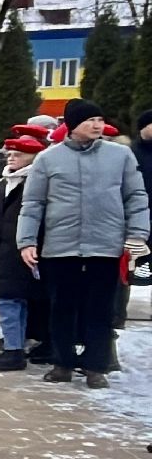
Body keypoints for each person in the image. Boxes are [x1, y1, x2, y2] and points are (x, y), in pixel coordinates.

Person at [16, 99, 151, 388]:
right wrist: (26, 240)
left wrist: (137, 234)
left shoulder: (120, 155)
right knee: (62, 308)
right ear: (72, 125)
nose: (97, 125)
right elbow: (33, 203)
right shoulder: (48, 159)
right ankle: (62, 362)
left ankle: (96, 366)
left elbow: (136, 197)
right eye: (90, 120)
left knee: (100, 310)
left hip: (106, 247)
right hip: (60, 247)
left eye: (100, 120)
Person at [0, 136, 46, 371]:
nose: (11, 157)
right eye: (9, 153)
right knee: (7, 302)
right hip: (0, 250)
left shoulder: (36, 182)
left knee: (11, 302)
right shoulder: (3, 182)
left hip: (22, 250)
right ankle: (14, 347)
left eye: (18, 154)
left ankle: (14, 350)